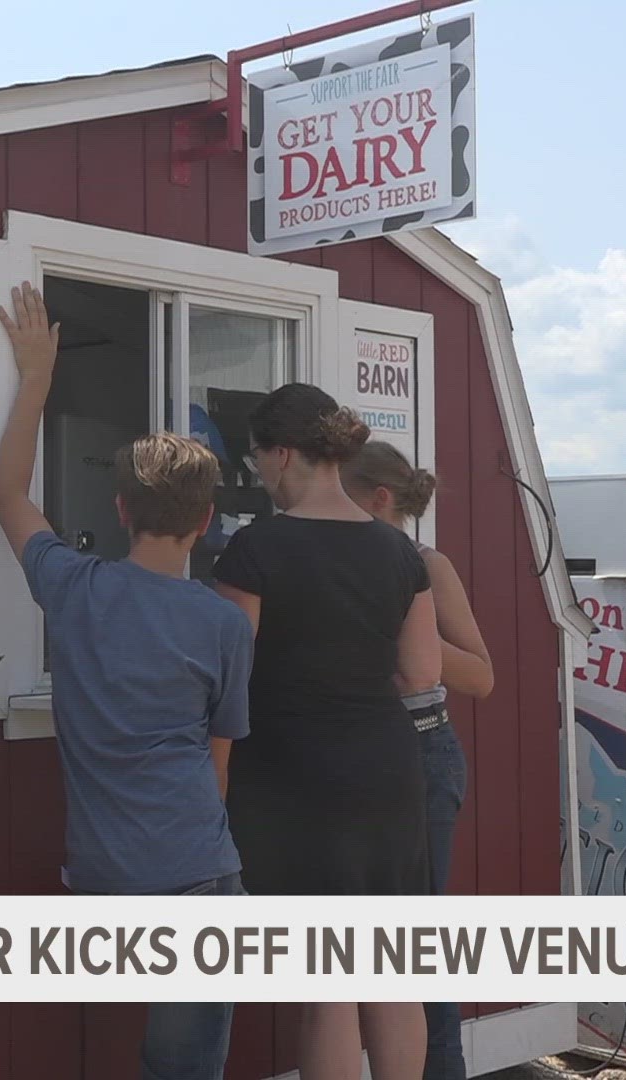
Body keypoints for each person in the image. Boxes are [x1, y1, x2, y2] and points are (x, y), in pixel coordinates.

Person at [0, 281, 254, 1080]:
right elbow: (218, 762)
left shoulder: (75, 588)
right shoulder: (222, 623)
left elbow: (6, 495)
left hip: (103, 877)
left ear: (118, 507)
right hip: (198, 873)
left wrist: (36, 376)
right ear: (205, 521)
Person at [208, 384, 443, 1080]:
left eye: (257, 464)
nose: (260, 478)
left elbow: (229, 676)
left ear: (283, 454)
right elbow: (423, 671)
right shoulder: (399, 552)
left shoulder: (255, 550)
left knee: (328, 989)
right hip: (387, 772)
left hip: (292, 780)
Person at [341, 442, 495, 1080]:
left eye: (340, 497)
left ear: (380, 500)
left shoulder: (428, 564)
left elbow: (482, 676)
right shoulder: (330, 561)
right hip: (349, 754)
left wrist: (405, 635)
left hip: (420, 749)